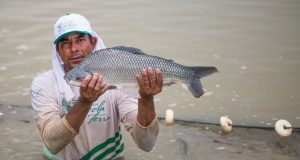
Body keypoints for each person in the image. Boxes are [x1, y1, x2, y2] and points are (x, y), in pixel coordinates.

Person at [31, 13, 162, 160]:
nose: (74, 48)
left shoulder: (119, 79)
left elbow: (146, 144)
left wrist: (146, 99)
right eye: (65, 43)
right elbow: (51, 143)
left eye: (80, 39)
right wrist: (84, 102)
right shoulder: (43, 83)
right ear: (57, 50)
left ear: (93, 42)